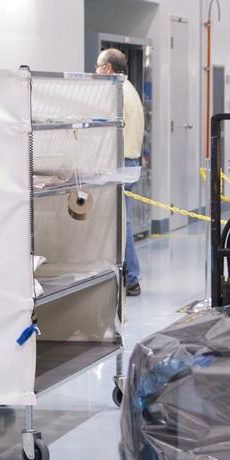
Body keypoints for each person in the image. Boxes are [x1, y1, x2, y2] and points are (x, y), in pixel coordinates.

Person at [96, 48, 145, 296]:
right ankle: (127, 276)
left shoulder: (116, 92)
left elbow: (105, 128)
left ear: (107, 68)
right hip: (131, 161)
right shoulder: (130, 89)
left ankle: (132, 279)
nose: (96, 71)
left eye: (98, 66)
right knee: (121, 222)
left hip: (122, 163)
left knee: (120, 224)